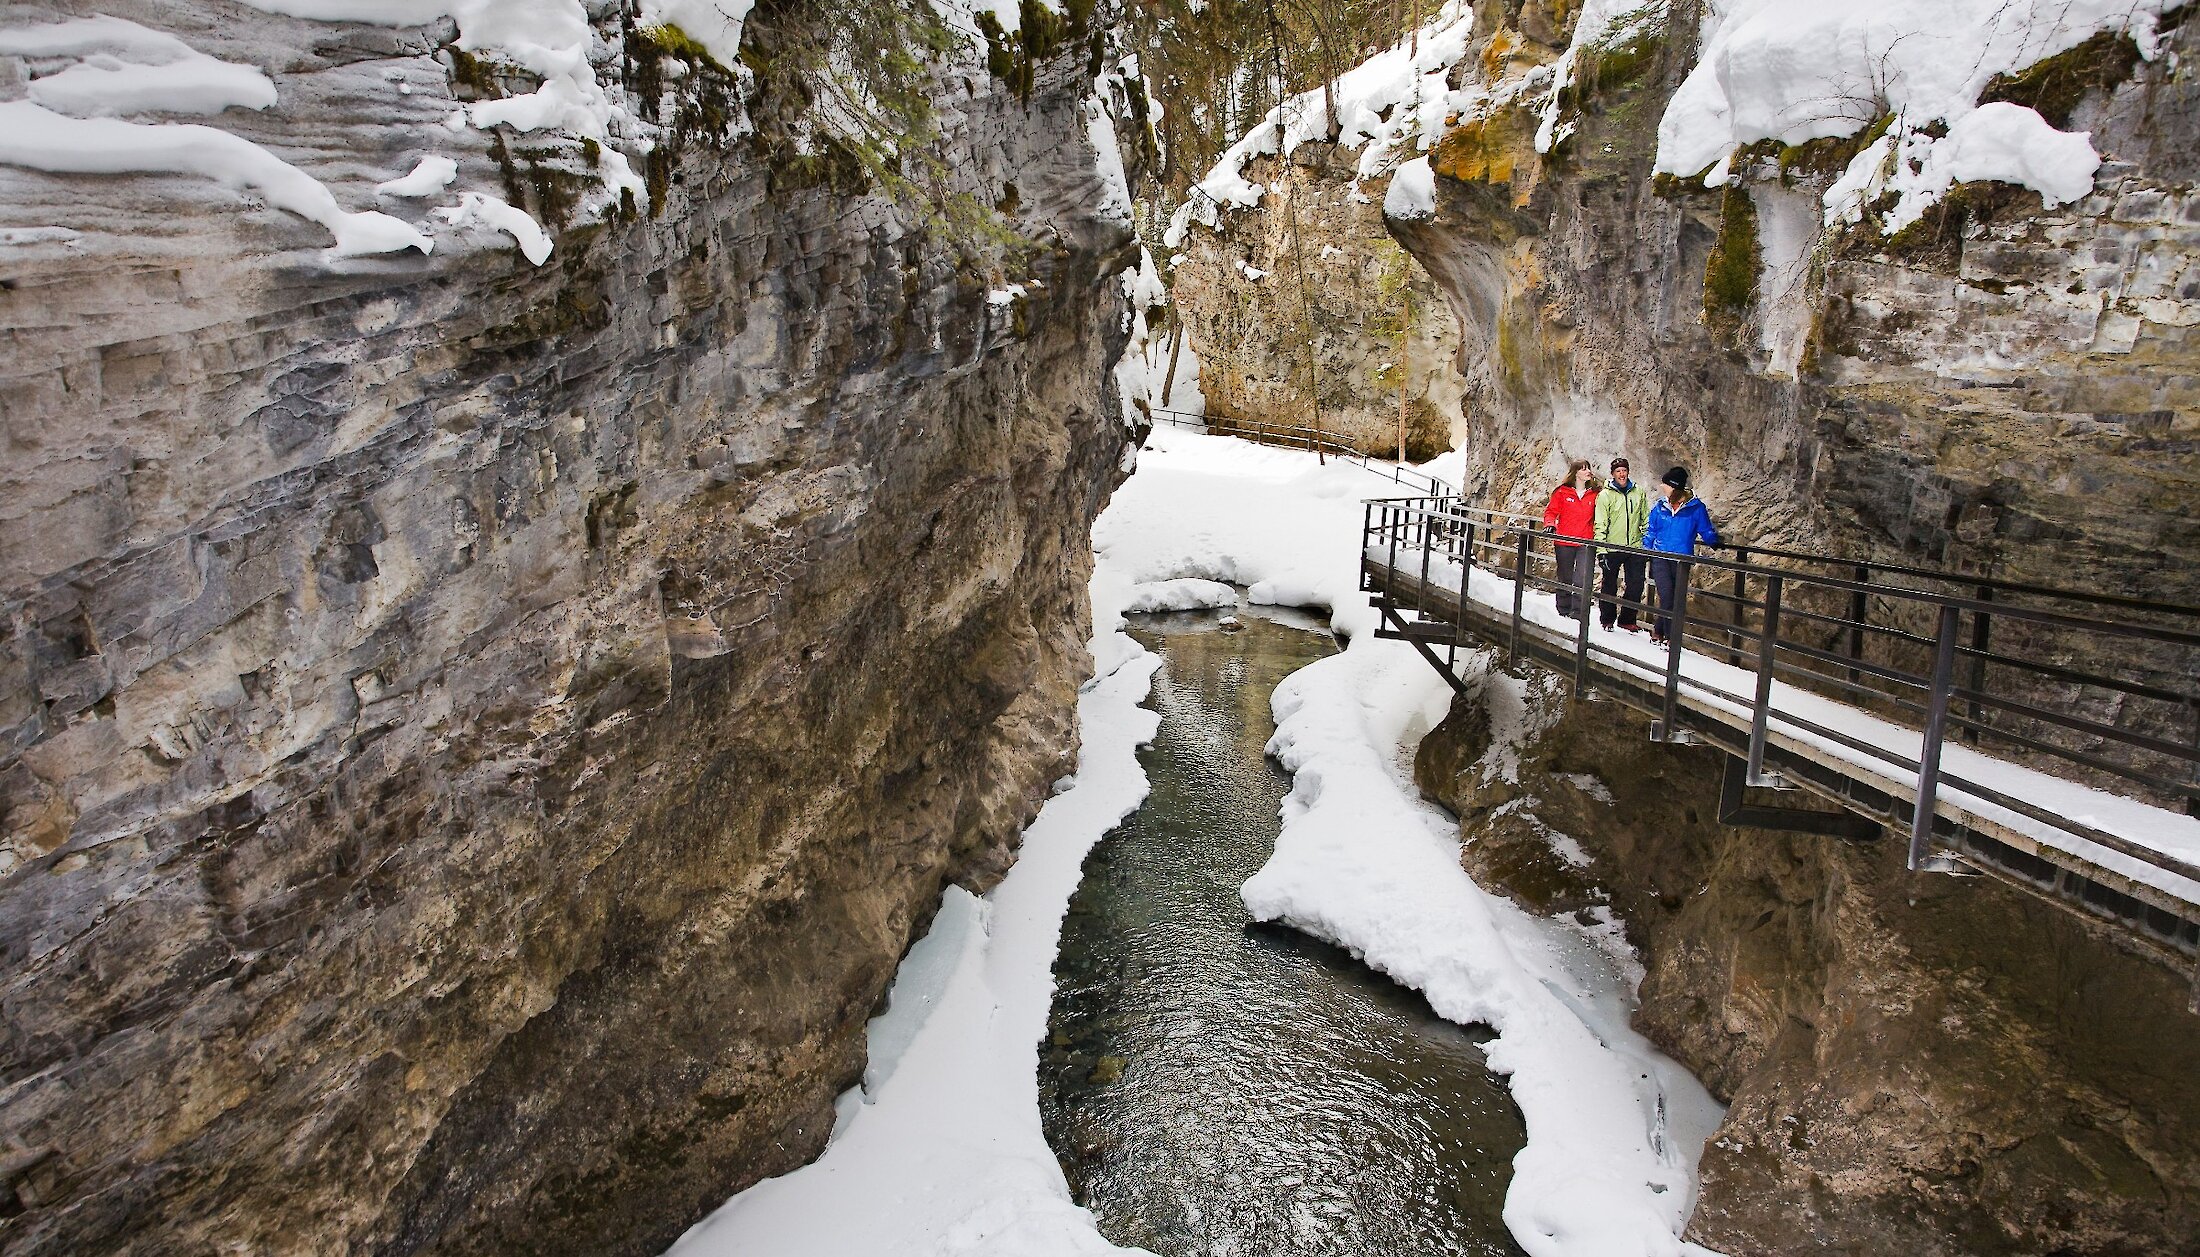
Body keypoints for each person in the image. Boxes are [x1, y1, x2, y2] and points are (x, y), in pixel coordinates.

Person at [1642, 465, 1719, 646]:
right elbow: (1651, 531)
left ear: (1675, 487)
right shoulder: (1660, 506)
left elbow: (1705, 529)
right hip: (1660, 556)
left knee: (1676, 598)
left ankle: (1659, 630)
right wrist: (1646, 550)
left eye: (1666, 484)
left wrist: (1714, 540)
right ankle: (1671, 637)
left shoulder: (1695, 508)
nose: (1662, 487)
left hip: (1682, 559)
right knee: (1667, 596)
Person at [1593, 456, 1649, 632]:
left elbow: (1646, 518)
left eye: (1624, 470)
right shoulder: (1605, 495)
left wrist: (1646, 544)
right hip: (1612, 546)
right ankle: (1607, 618)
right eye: (1618, 471)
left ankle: (1627, 618)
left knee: (1636, 583)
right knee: (1609, 583)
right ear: (1613, 474)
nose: (1622, 474)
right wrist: (1601, 550)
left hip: (1634, 545)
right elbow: (1600, 523)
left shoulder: (1638, 492)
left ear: (1628, 472)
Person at [1541, 459, 1600, 619]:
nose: (1587, 471)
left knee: (1582, 577)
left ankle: (1578, 612)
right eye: (1583, 469)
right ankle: (1563, 609)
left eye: (1588, 468)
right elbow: (1551, 511)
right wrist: (1550, 524)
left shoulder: (1595, 493)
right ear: (1575, 473)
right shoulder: (1562, 492)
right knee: (1565, 577)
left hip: (1585, 541)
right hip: (1564, 540)